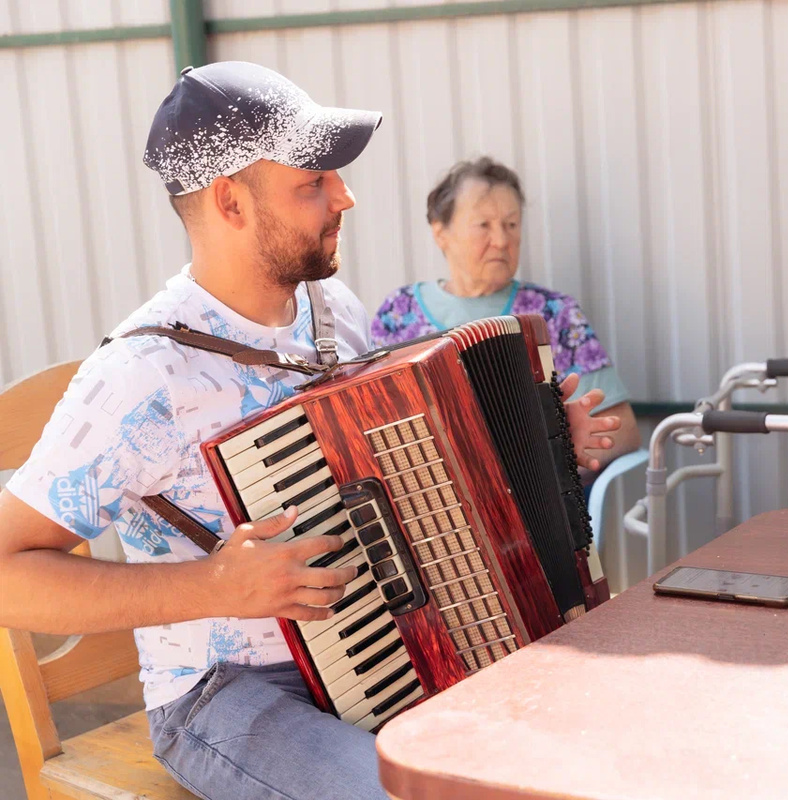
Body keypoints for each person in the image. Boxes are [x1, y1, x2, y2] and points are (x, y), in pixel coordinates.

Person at [0, 62, 618, 800]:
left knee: (577, 739)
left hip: (386, 645)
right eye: (313, 183)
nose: (345, 196)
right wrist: (213, 585)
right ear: (231, 202)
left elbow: (406, 469)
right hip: (231, 694)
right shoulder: (142, 376)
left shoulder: (331, 309)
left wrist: (545, 443)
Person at [371, 157, 642, 475]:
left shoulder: (552, 313)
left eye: (511, 225)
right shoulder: (398, 313)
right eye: (483, 225)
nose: (501, 240)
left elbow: (622, 429)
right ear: (440, 232)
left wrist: (556, 473)